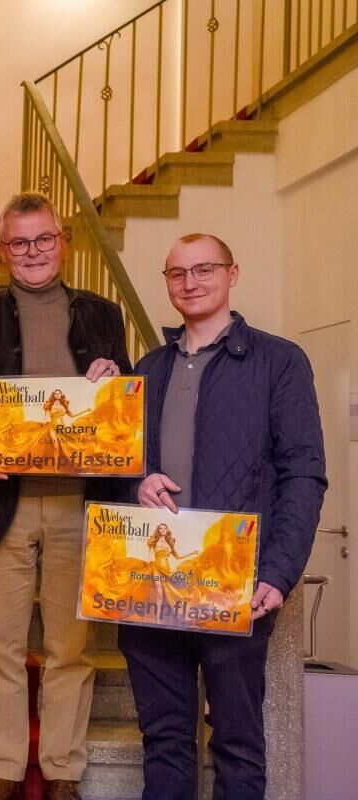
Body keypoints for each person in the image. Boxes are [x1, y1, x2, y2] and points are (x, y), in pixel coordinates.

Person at [121, 233, 326, 800]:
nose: (190, 282)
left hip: (235, 584)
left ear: (232, 274)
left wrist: (279, 572)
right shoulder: (149, 368)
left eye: (204, 269)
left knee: (237, 743)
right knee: (163, 740)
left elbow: (304, 474)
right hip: (153, 585)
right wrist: (137, 482)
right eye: (177, 273)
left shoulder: (279, 362)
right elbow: (120, 466)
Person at [0, 192, 130, 800]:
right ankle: (4, 769)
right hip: (0, 503)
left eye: (43, 239)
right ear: (2, 250)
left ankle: (61, 769)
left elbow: (126, 411)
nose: (32, 252)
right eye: (19, 242)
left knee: (70, 647)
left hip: (78, 502)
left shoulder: (103, 315)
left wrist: (117, 383)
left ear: (64, 243)